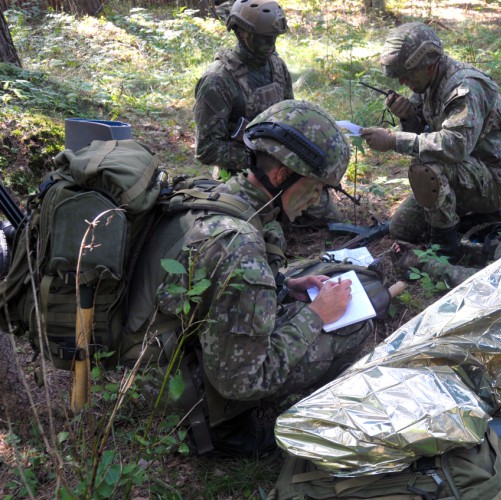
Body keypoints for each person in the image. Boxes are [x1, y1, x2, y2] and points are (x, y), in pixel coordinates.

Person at [123, 100, 373, 457]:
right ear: (280, 176)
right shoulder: (241, 249)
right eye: (317, 187)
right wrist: (317, 316)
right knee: (350, 328)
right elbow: (242, 380)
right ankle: (227, 430)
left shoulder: (214, 195)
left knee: (304, 283)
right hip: (172, 382)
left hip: (151, 354)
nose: (318, 200)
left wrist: (285, 286)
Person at [360, 22, 501, 257]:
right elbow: (425, 131)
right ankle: (467, 220)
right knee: (400, 228)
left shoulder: (465, 87)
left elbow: (454, 146)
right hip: (460, 176)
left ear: (429, 64)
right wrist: (409, 116)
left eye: (407, 75)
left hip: (491, 181)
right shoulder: (427, 85)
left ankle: (447, 252)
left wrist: (393, 140)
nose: (403, 82)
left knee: (426, 167)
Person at [193, 0, 337, 224]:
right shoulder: (217, 81)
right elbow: (207, 149)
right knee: (260, 232)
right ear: (241, 32)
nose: (271, 44)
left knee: (328, 216)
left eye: (274, 37)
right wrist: (260, 160)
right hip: (244, 175)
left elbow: (292, 122)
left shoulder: (277, 68)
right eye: (263, 38)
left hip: (284, 170)